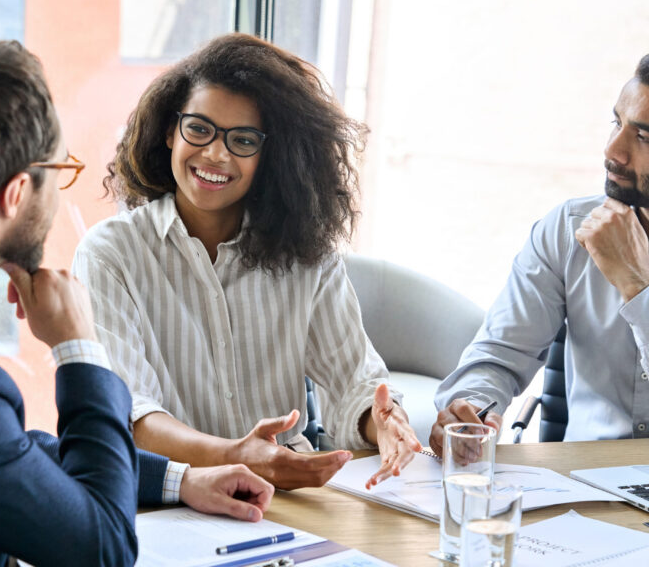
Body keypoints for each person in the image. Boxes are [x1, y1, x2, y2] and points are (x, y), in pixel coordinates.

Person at [0, 37, 273, 567]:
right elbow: (103, 549)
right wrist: (79, 348)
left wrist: (179, 479)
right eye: (60, 171)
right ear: (15, 192)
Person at [73, 33, 422, 491]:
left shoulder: (308, 256)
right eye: (198, 129)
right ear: (168, 131)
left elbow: (355, 385)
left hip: (286, 494)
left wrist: (385, 422)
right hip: (168, 495)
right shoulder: (110, 254)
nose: (215, 153)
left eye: (242, 140)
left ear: (269, 156)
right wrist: (238, 457)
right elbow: (130, 413)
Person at [430, 54, 649, 457]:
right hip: (586, 492)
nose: (613, 150)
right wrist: (471, 408)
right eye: (617, 123)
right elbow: (497, 357)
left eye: (644, 137)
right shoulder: (568, 229)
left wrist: (638, 287)